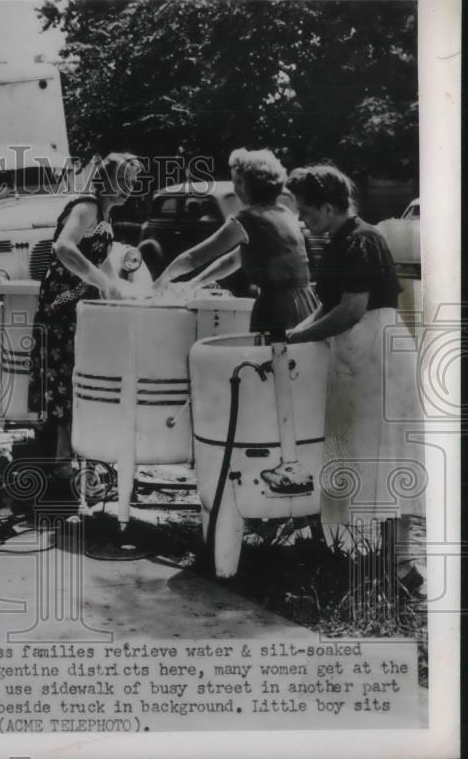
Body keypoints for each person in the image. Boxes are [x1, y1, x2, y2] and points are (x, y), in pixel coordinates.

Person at [285, 165, 422, 586]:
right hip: (356, 352)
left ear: (328, 207)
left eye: (307, 211)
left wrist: (302, 335)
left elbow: (351, 309)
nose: (303, 219)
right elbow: (329, 305)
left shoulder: (362, 239)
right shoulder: (341, 240)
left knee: (385, 456)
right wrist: (294, 334)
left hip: (375, 350)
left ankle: (400, 566)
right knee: (369, 456)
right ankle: (384, 562)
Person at [27, 152, 144, 475]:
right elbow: (64, 247)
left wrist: (118, 289)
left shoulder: (105, 215)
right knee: (66, 375)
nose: (127, 188)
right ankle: (62, 463)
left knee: (78, 376)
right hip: (62, 304)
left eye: (132, 182)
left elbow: (102, 260)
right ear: (103, 179)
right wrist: (99, 281)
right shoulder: (86, 206)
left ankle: (69, 457)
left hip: (80, 306)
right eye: (122, 180)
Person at [152, 148, 319, 334]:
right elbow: (233, 260)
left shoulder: (248, 219)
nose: (234, 188)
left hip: (277, 308)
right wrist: (193, 284)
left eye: (235, 181)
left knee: (268, 359)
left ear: (243, 183)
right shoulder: (287, 214)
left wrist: (161, 280)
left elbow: (194, 258)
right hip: (306, 304)